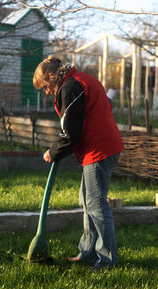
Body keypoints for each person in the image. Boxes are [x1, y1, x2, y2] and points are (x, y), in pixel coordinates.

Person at [33, 55, 124, 270]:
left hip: (99, 150)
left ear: (52, 76)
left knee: (95, 204)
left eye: (46, 86)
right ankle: (88, 252)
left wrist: (53, 152)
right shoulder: (81, 79)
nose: (47, 92)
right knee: (87, 200)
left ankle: (107, 260)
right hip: (102, 147)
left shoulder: (71, 87)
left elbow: (71, 133)